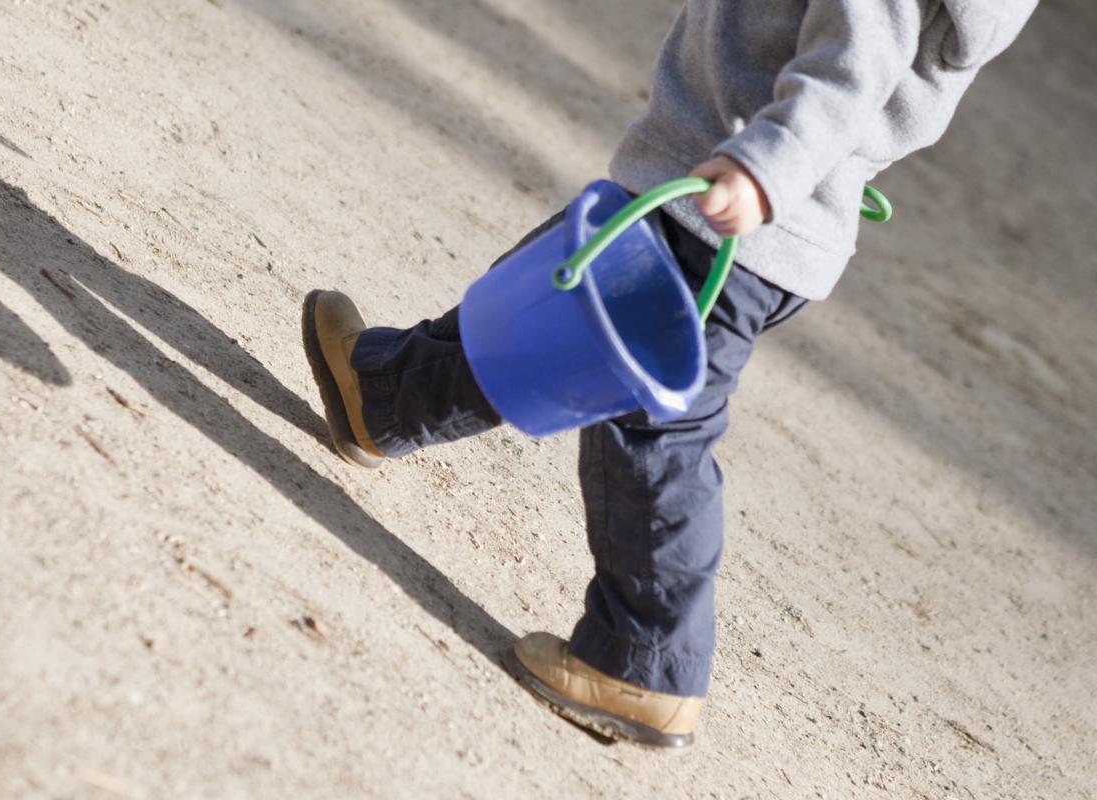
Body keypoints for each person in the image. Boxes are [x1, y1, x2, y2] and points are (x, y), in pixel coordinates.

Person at [301, 0, 1037, 749]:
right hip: (730, 192)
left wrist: (764, 167)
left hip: (730, 214)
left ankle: (642, 662)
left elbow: (853, 68)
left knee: (652, 429)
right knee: (552, 301)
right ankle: (385, 397)